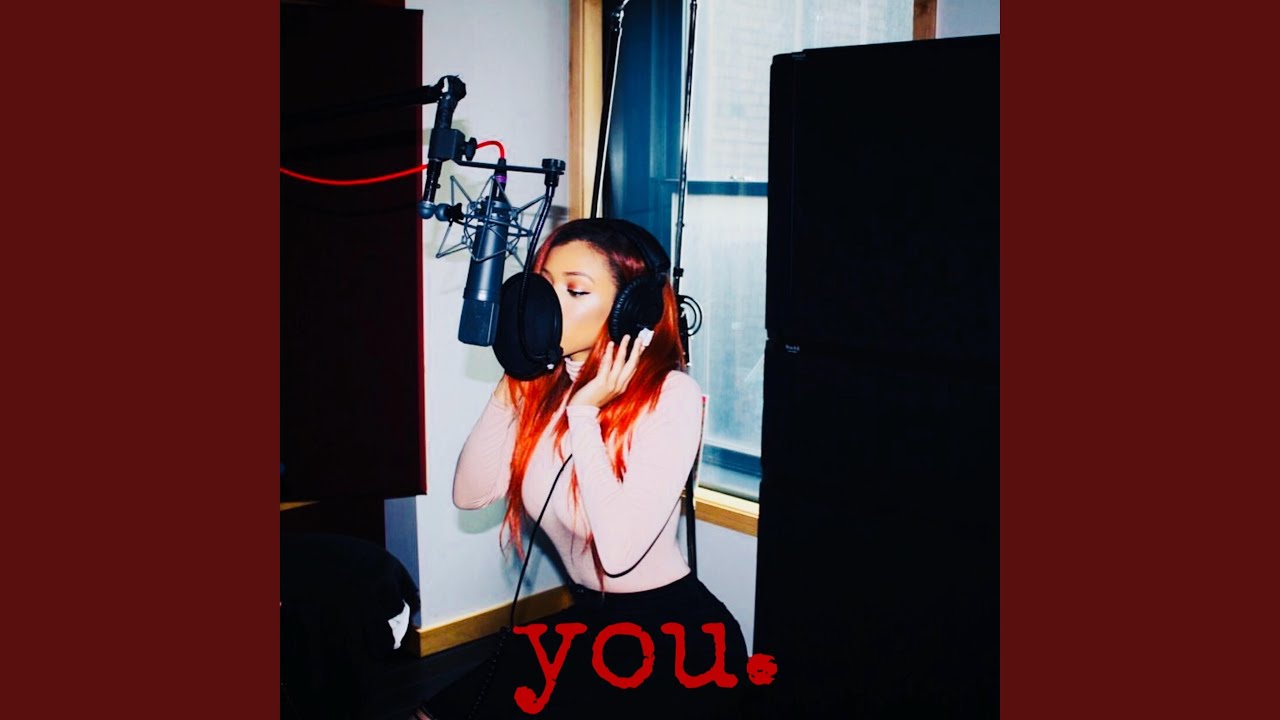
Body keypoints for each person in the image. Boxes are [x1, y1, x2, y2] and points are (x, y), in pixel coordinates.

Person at [417, 218, 748, 719]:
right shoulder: (547, 385)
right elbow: (471, 495)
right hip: (590, 621)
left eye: (574, 291)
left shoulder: (670, 395)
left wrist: (584, 416)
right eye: (545, 285)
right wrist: (511, 387)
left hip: (669, 641)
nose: (547, 305)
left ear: (628, 311)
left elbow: (618, 553)